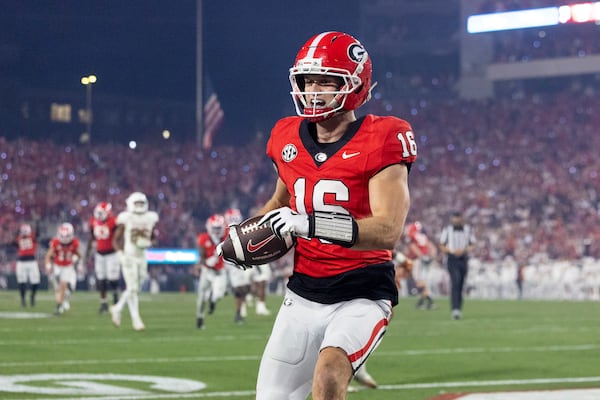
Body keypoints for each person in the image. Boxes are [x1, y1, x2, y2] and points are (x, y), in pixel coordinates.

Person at [220, 31, 417, 399]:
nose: (313, 90)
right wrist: (245, 235)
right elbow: (281, 201)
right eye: (308, 80)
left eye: (327, 81)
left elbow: (388, 229)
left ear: (355, 85)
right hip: (303, 293)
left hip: (362, 291)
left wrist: (309, 224)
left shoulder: (384, 136)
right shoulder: (286, 135)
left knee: (328, 378)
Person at [110, 192, 159, 331]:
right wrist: (120, 254)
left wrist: (150, 241)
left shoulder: (150, 218)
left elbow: (154, 237)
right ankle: (136, 320)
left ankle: (117, 308)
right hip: (129, 256)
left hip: (142, 256)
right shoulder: (127, 218)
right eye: (136, 203)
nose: (138, 206)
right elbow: (115, 239)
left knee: (136, 287)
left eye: (140, 204)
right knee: (132, 288)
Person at [439, 211, 476, 320]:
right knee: (455, 281)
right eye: (454, 218)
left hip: (463, 258)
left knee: (461, 283)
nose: (456, 220)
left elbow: (473, 244)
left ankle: (458, 308)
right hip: (452, 259)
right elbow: (441, 244)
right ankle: (455, 309)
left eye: (457, 218)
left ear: (461, 219)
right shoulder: (447, 230)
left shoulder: (468, 229)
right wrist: (451, 251)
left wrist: (464, 250)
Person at [85, 202, 120, 314]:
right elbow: (91, 237)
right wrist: (88, 252)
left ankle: (115, 298)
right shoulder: (93, 221)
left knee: (112, 279)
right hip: (99, 254)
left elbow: (119, 236)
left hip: (112, 254)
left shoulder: (114, 221)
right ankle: (103, 303)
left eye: (102, 213)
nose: (99, 215)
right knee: (101, 279)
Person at [195, 214, 228, 329]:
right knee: (201, 297)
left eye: (219, 228)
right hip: (207, 271)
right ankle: (199, 318)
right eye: (214, 228)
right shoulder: (203, 238)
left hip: (220, 271)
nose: (216, 231)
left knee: (219, 295)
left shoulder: (226, 238)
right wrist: (206, 262)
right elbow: (201, 256)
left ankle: (212, 300)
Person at [44, 222, 82, 315]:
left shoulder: (75, 242)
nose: (64, 239)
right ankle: (60, 305)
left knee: (66, 287)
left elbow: (79, 254)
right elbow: (48, 255)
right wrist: (48, 265)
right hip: (58, 267)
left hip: (68, 267)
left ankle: (60, 305)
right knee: (59, 288)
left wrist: (79, 262)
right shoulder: (56, 242)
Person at [405, 221, 438, 310]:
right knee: (422, 281)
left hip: (418, 260)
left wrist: (422, 256)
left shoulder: (413, 236)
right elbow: (432, 247)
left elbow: (413, 247)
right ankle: (421, 302)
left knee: (419, 281)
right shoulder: (423, 236)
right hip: (424, 260)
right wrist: (431, 257)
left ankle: (429, 301)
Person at [14, 223, 41, 307]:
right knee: (22, 281)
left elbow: (38, 233)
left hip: (32, 261)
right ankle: (23, 300)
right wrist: (17, 232)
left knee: (35, 281)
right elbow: (13, 242)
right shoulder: (18, 238)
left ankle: (32, 296)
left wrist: (37, 222)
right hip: (21, 262)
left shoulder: (32, 237)